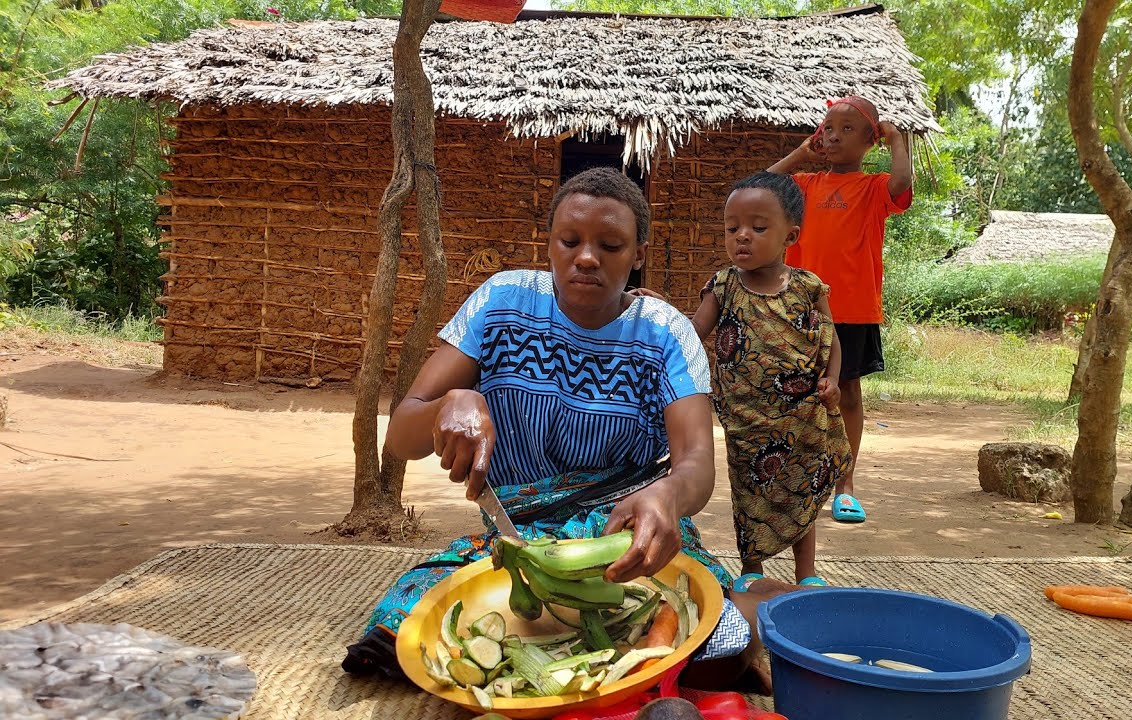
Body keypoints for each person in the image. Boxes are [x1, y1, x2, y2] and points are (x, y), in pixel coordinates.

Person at [341, 167, 795, 690]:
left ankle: (752, 604)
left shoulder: (667, 333)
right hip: (520, 537)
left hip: (626, 534)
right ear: (550, 244)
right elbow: (400, 434)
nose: (586, 257)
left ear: (638, 254)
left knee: (719, 648)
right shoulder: (501, 303)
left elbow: (696, 465)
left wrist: (668, 495)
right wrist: (450, 402)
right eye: (570, 240)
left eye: (610, 244)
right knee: (406, 628)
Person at [689, 171, 851, 591]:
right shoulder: (723, 285)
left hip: (800, 417)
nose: (742, 236)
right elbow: (691, 334)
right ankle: (752, 570)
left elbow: (831, 341)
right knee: (749, 494)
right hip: (746, 418)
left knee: (800, 492)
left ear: (790, 235)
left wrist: (832, 381)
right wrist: (654, 313)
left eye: (758, 228)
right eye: (732, 228)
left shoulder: (809, 287)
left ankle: (806, 573)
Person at [767, 95, 913, 524]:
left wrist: (897, 139)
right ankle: (792, 476)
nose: (832, 136)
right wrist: (800, 153)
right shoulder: (807, 184)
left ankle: (844, 486)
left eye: (846, 129)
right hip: (800, 306)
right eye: (828, 127)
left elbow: (903, 182)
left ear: (871, 139)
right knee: (792, 390)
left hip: (852, 307)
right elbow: (757, 186)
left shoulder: (874, 188)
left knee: (847, 392)